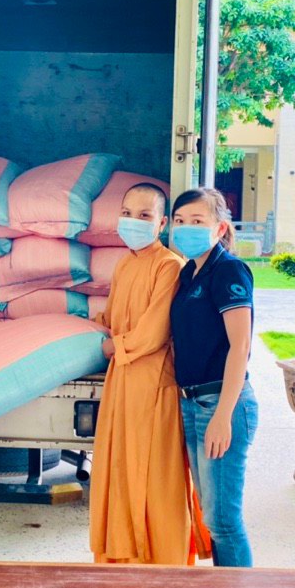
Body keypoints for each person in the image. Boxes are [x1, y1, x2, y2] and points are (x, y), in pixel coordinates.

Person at [89, 183, 209, 565]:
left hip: (154, 382)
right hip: (122, 380)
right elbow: (112, 317)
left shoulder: (169, 265)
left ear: (161, 224)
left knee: (156, 475)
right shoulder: (124, 263)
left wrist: (112, 347)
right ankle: (122, 557)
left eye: (144, 216)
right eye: (127, 213)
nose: (133, 222)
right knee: (120, 468)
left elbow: (154, 333)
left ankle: (163, 562)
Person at [169, 187, 257, 568]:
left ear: (220, 228)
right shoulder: (189, 272)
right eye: (179, 221)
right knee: (211, 516)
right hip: (192, 403)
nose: (186, 228)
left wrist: (223, 415)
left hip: (222, 403)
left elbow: (240, 346)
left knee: (224, 521)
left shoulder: (228, 271)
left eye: (197, 221)